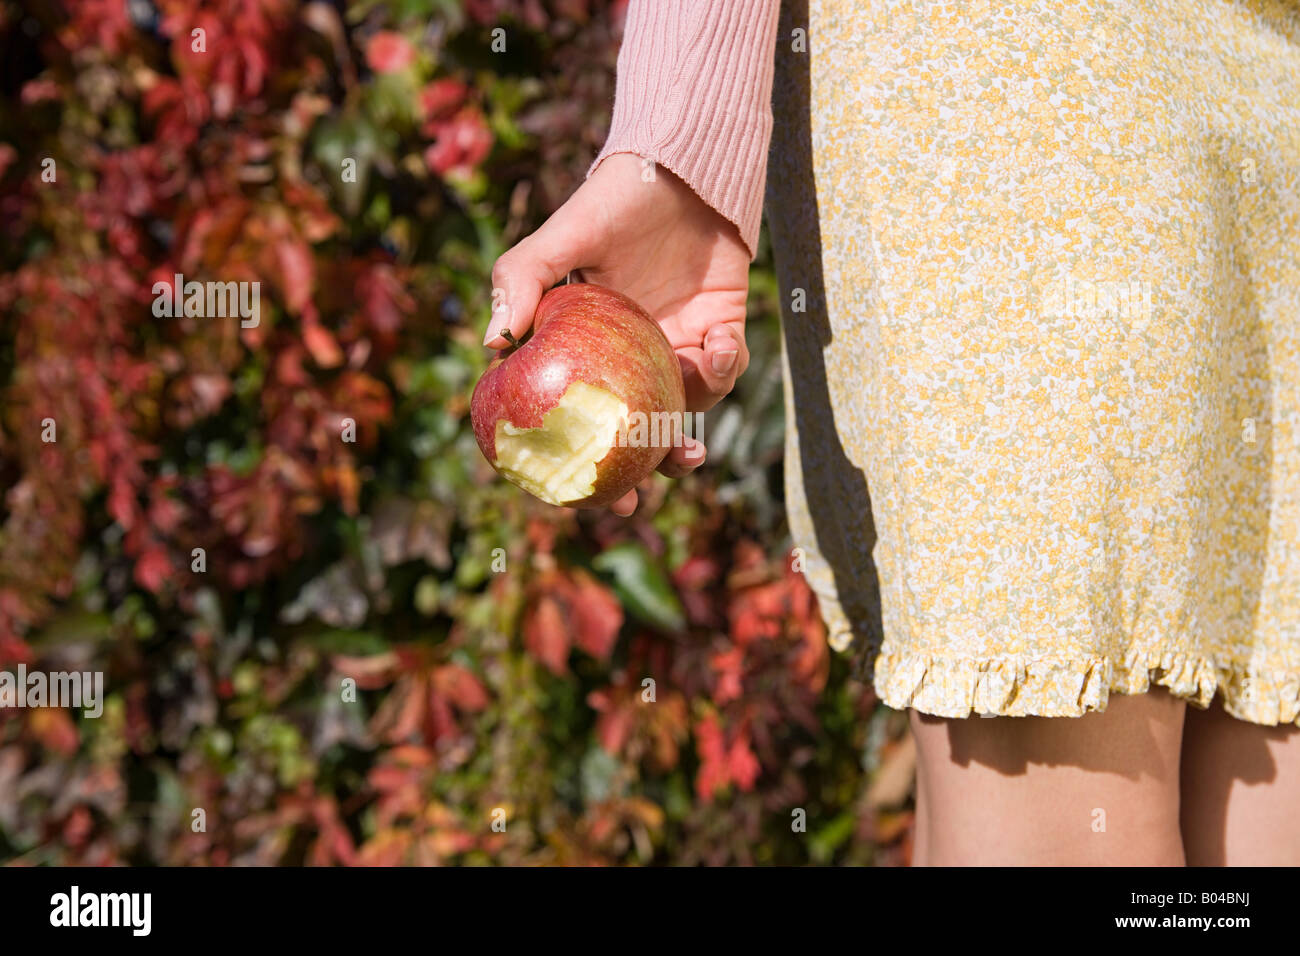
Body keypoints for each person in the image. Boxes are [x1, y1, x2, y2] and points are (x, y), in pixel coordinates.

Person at [485, 0, 1300, 865]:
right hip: (1009, 85)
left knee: (1264, 682)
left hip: (1271, 69)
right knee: (1061, 772)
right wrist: (678, 132)